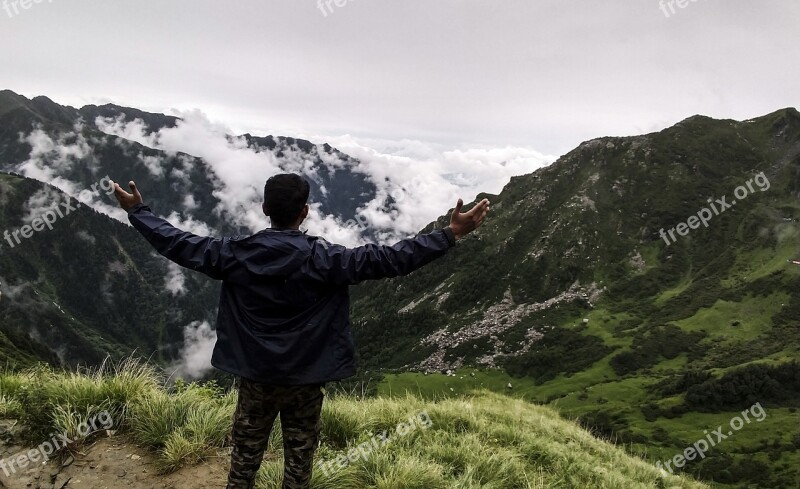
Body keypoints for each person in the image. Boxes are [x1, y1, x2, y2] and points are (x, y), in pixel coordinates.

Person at [111, 173, 490, 489]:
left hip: (256, 377)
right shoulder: (331, 260)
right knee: (299, 463)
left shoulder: (232, 254)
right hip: (306, 380)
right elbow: (392, 259)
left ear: (264, 209)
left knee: (244, 460)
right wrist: (450, 234)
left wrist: (138, 211)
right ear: (305, 212)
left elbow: (176, 242)